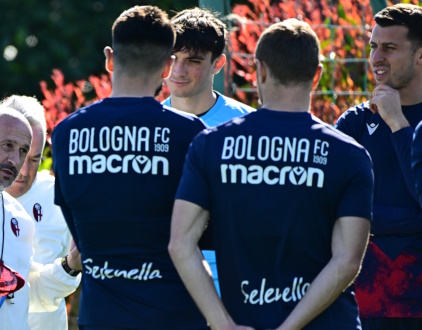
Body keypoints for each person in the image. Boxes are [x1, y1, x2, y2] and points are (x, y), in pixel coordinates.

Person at [170, 19, 373, 329]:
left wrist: (221, 324)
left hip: (246, 317)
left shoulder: (210, 145)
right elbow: (346, 260)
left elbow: (181, 243)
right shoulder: (350, 155)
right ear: (317, 74)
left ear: (259, 70)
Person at [51, 6, 209, 328]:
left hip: (101, 316)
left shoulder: (67, 134)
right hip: (174, 314)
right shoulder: (190, 133)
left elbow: (77, 226)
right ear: (167, 66)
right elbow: (205, 228)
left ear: (109, 58)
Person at [336, 4, 422, 329]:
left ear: (420, 55)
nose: (376, 58)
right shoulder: (355, 122)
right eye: (373, 46)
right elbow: (332, 206)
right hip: (360, 305)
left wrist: (398, 122)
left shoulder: (401, 121)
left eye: (389, 47)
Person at [161, 7, 255, 294]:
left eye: (193, 60)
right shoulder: (149, 125)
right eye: (172, 58)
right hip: (165, 279)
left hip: (234, 278)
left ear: (218, 63)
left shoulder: (248, 125)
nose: (178, 70)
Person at [0, 105, 81, 330]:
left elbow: (26, 294)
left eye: (24, 151)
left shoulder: (20, 218)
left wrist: (71, 265)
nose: (16, 161)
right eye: (7, 145)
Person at [0, 95, 74, 330]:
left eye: (34, 159)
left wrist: (73, 265)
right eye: (17, 153)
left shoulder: (59, 197)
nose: (23, 170)